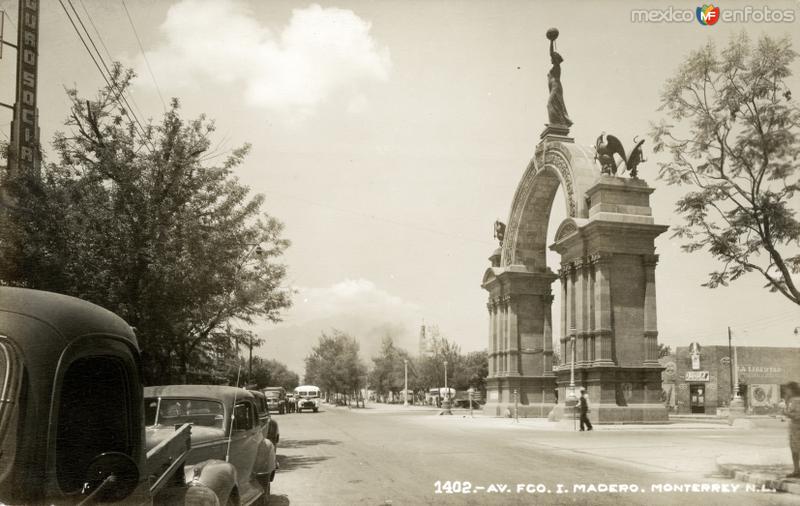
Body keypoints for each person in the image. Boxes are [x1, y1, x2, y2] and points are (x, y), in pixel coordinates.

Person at [784, 382, 800, 478]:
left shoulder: (796, 400)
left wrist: (785, 413)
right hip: (795, 429)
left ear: (792, 390)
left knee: (796, 450)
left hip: (797, 429)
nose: (786, 391)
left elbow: (797, 415)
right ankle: (796, 470)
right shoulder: (793, 400)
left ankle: (796, 471)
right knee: (795, 450)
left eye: (787, 389)